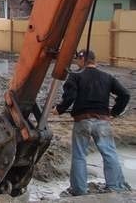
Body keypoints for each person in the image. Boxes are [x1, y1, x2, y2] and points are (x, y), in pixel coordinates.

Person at [53, 49, 131, 196]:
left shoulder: (75, 76)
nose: (76, 62)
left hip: (82, 120)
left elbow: (70, 96)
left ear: (83, 60)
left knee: (79, 155)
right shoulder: (107, 77)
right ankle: (115, 187)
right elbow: (125, 94)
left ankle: (79, 190)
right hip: (102, 121)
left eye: (77, 59)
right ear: (94, 60)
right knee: (109, 153)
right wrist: (115, 112)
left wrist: (59, 109)